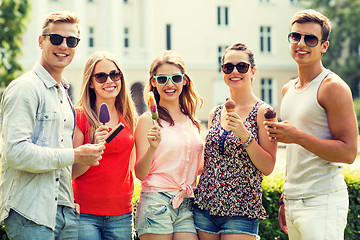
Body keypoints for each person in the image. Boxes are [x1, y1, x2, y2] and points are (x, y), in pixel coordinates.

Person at [0, 11, 106, 239]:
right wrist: (74, 155)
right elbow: (15, 153)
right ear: (41, 41)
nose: (64, 46)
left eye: (72, 41)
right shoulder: (25, 89)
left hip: (64, 214)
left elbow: (65, 166)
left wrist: (87, 156)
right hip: (30, 214)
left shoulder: (63, 92)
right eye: (56, 39)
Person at [264, 9, 358, 240]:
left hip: (322, 201)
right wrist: (286, 197)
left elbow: (348, 153)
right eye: (295, 37)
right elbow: (296, 154)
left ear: (323, 46)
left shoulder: (332, 87)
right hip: (295, 201)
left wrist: (296, 136)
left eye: (310, 39)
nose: (301, 43)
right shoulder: (288, 89)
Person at [193, 43, 277, 240]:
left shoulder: (264, 112)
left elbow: (268, 166)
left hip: (241, 210)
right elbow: (207, 163)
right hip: (205, 207)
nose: (235, 72)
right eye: (228, 67)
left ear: (253, 71)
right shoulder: (215, 113)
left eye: (242, 66)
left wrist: (244, 134)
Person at [134, 50, 204, 240]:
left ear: (184, 80)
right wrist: (152, 148)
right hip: (157, 201)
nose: (169, 84)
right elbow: (140, 173)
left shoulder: (191, 120)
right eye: (162, 79)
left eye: (175, 78)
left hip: (186, 202)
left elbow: (197, 168)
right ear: (154, 82)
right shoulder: (148, 120)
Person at [72, 51, 138, 240]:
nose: (109, 81)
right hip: (85, 214)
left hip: (121, 214)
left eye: (114, 74)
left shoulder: (128, 116)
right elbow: (71, 172)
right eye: (101, 76)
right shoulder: (80, 116)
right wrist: (93, 147)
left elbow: (132, 167)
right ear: (91, 83)